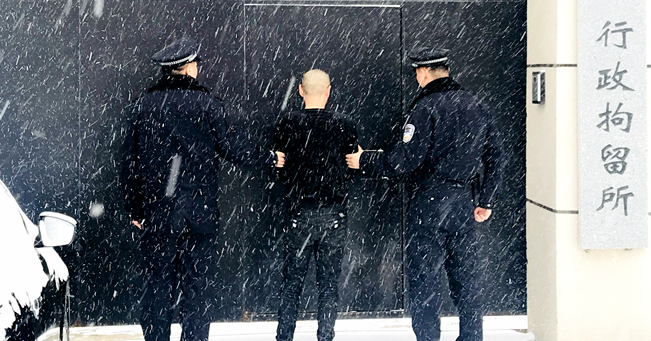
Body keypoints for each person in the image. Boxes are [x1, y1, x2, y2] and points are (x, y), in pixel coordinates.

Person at [121, 34, 279, 341]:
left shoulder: (143, 106)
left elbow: (129, 162)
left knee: (157, 290)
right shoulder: (208, 105)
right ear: (189, 67)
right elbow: (234, 147)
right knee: (197, 292)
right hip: (199, 215)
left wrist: (135, 208)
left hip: (158, 215)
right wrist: (270, 158)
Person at [346, 48, 506, 341]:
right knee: (466, 280)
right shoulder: (477, 105)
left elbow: (407, 159)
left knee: (424, 280)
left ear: (422, 73)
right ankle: (472, 337)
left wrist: (365, 160)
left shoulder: (425, 108)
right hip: (463, 202)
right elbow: (496, 156)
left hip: (429, 201)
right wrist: (486, 200)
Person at [273, 69, 358, 341]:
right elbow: (352, 165)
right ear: (328, 91)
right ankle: (325, 336)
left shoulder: (287, 123)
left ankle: (284, 337)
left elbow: (280, 167)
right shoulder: (344, 125)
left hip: (298, 214)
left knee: (291, 286)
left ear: (300, 90)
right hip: (333, 215)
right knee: (329, 287)